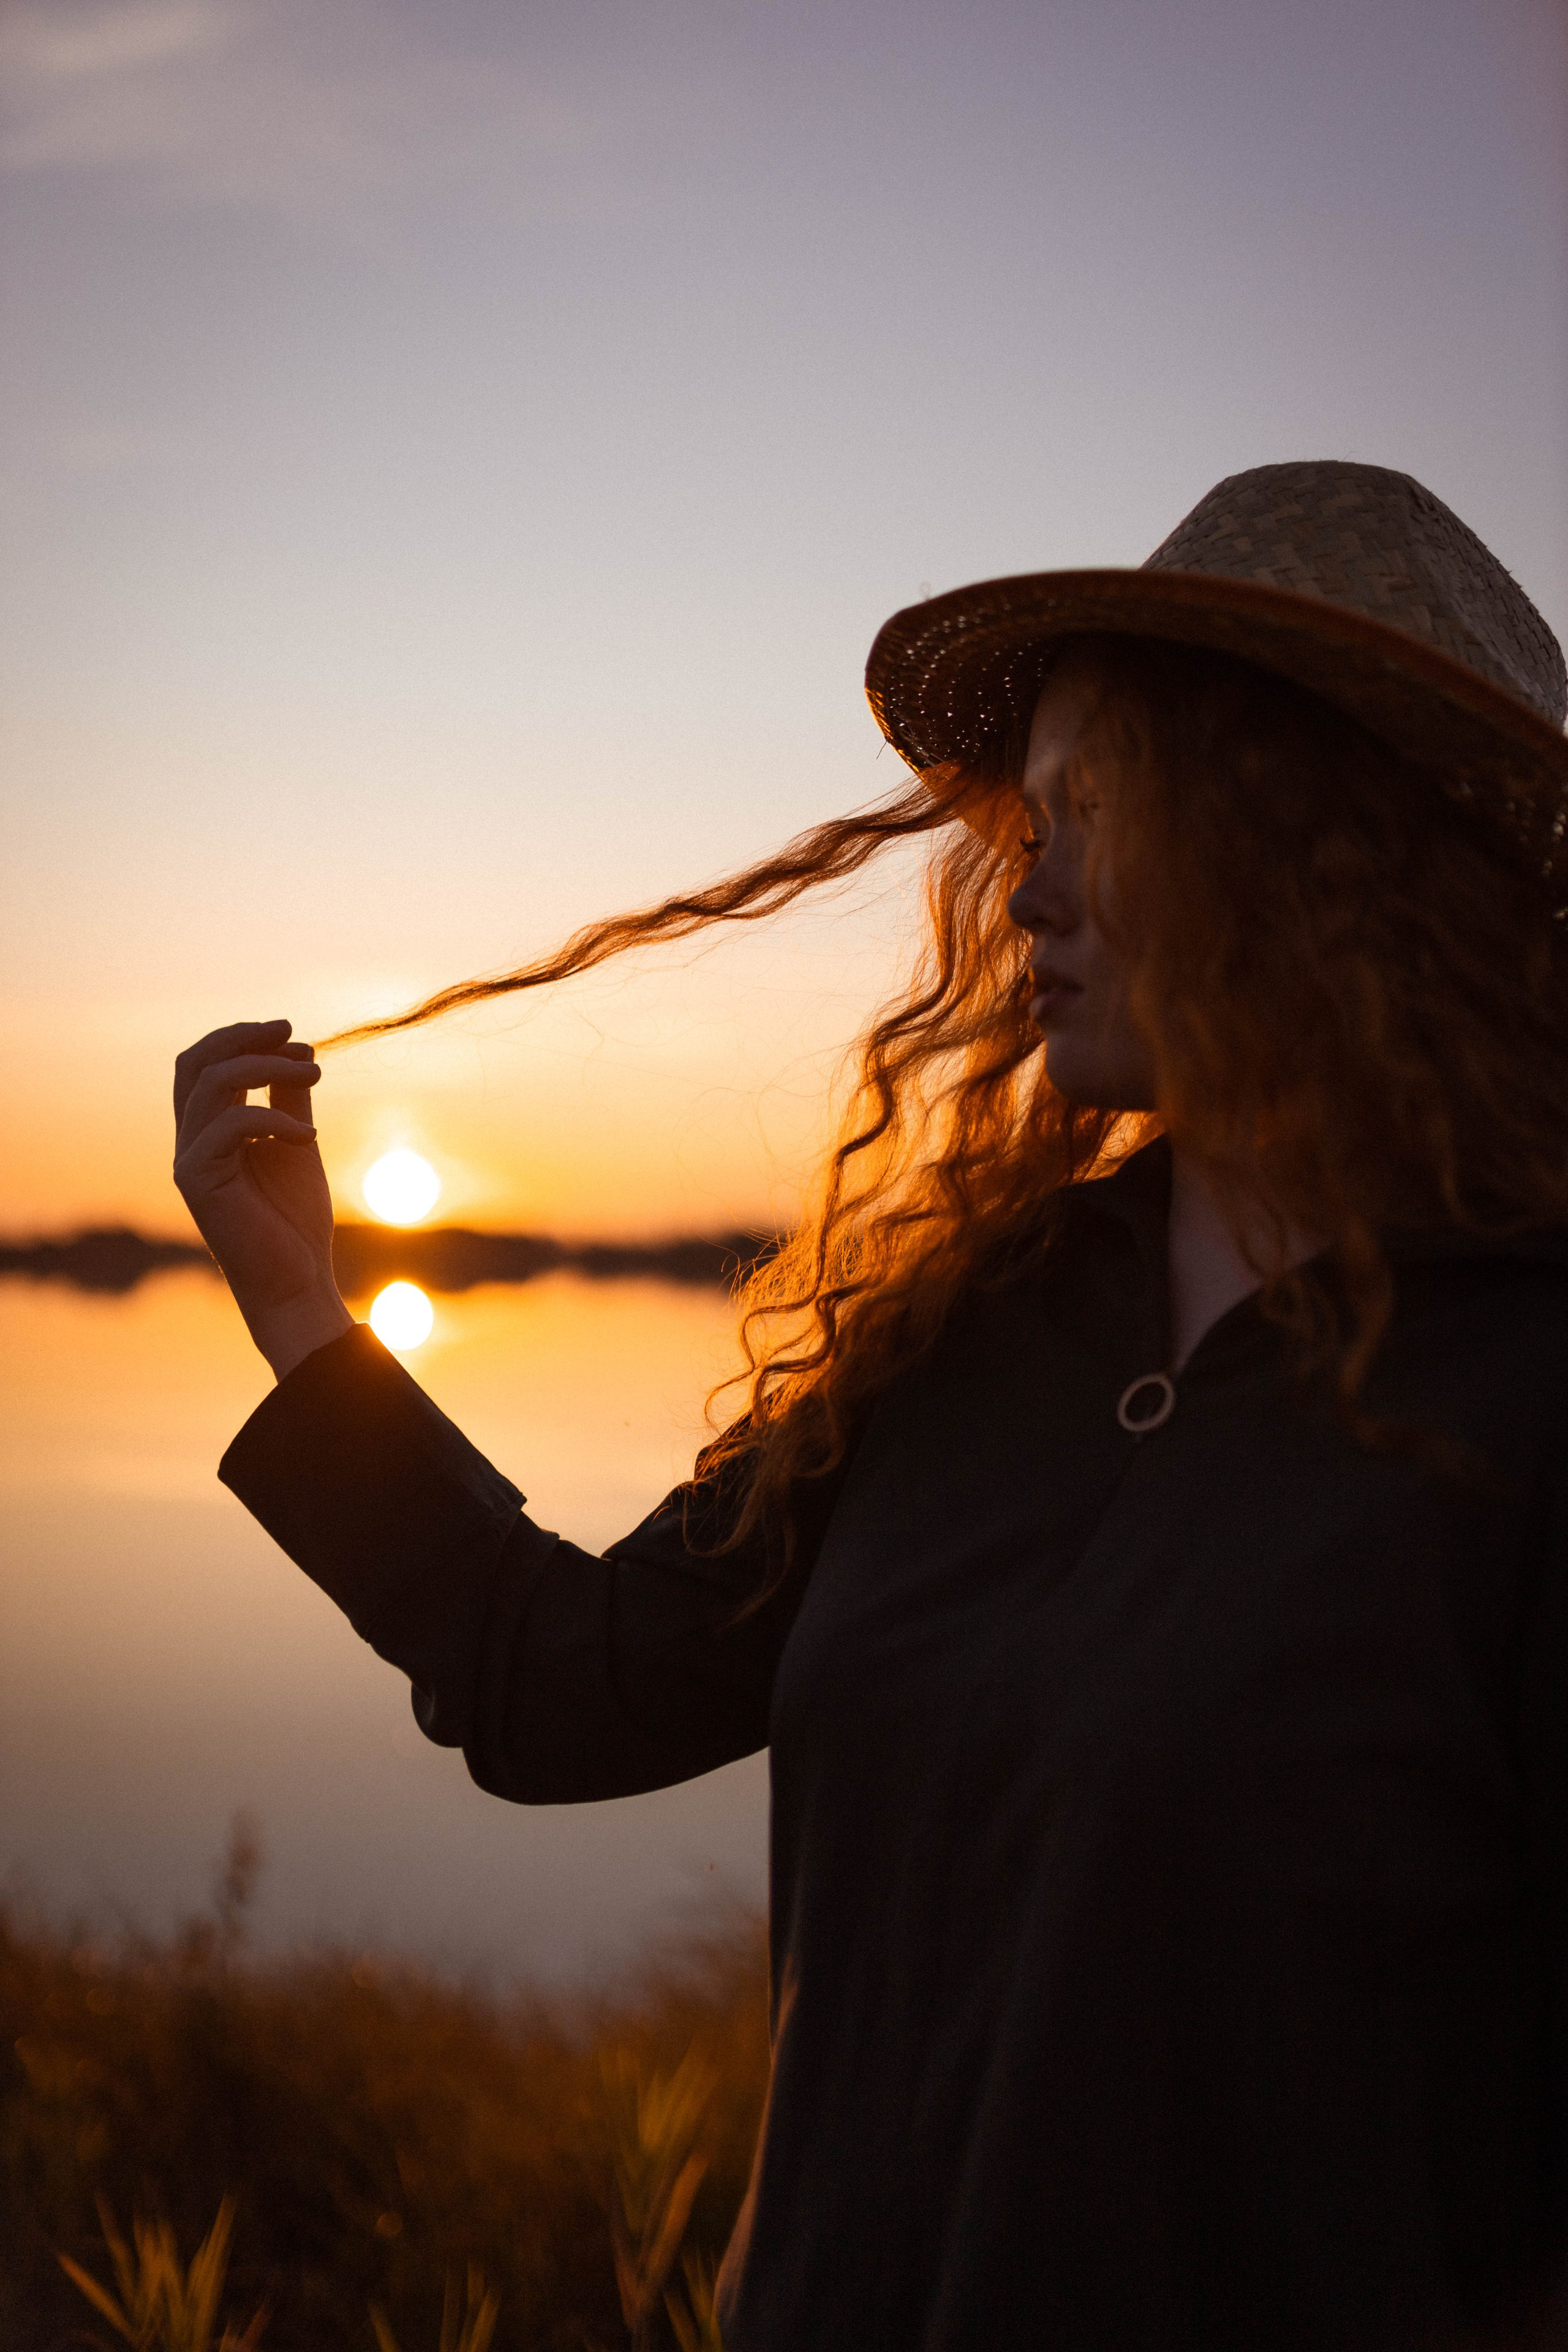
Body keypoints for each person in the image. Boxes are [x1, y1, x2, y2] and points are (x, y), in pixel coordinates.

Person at [173, 460, 1568, 2351]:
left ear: (1311, 850)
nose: (1028, 881)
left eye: (1097, 811)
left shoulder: (1525, 1391)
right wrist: (297, 1311)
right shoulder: (972, 1330)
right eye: (1031, 815)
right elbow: (556, 1678)